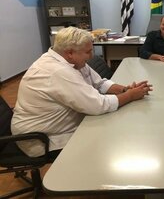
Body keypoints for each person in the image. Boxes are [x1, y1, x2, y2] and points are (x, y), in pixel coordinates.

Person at [11, 27, 152, 159]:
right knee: (109, 142)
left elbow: (100, 83)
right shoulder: (58, 71)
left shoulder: (70, 61)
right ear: (70, 53)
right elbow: (98, 106)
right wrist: (131, 95)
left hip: (59, 125)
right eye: (88, 52)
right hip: (41, 139)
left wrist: (125, 90)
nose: (92, 56)